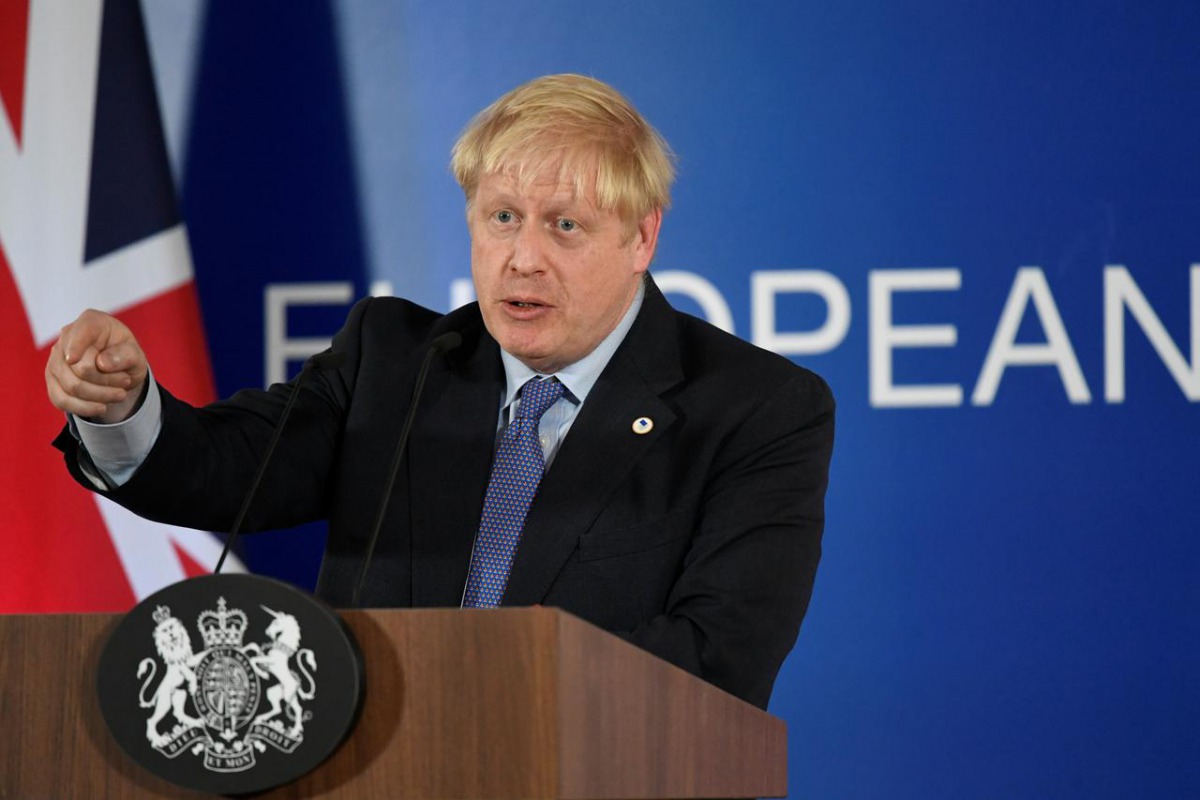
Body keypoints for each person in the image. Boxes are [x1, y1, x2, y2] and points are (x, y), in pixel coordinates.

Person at [46, 74, 834, 709]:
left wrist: (482, 696)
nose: (522, 258)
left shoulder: (754, 409)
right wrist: (122, 409)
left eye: (564, 226)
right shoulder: (398, 359)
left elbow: (719, 655)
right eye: (501, 217)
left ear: (642, 237)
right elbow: (224, 468)